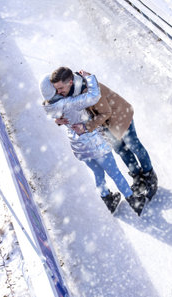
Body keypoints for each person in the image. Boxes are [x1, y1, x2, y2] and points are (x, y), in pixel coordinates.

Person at [39, 72, 146, 215]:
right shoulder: (70, 102)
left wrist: (57, 120)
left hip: (78, 147)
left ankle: (107, 199)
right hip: (94, 143)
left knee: (97, 173)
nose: (59, 90)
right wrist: (89, 77)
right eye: (56, 88)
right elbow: (94, 95)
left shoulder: (49, 107)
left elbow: (51, 112)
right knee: (115, 173)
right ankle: (134, 200)